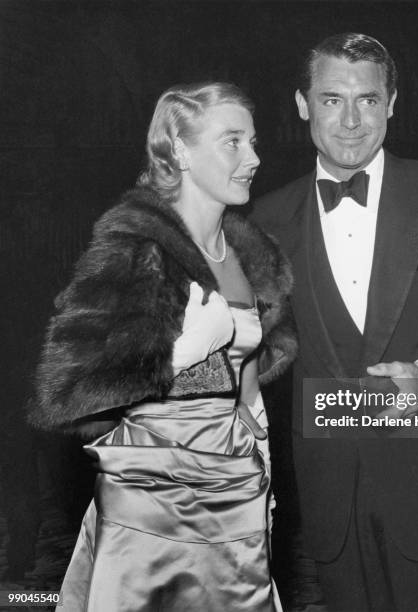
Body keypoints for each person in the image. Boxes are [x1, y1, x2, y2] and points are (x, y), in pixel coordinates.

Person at [252, 33, 418, 611]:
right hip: (332, 501)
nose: (351, 120)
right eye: (331, 99)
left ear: (392, 102)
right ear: (302, 104)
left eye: (368, 100)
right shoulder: (268, 218)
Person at [28, 82, 297, 612]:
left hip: (235, 495)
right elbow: (66, 391)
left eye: (254, 142)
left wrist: (263, 482)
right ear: (179, 148)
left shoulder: (249, 254)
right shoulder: (135, 248)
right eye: (233, 141)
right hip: (150, 504)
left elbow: (246, 393)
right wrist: (188, 348)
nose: (254, 158)